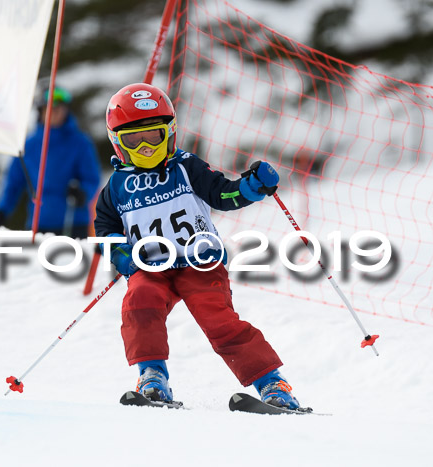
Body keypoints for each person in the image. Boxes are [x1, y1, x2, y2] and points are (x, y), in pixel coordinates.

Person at [94, 83, 302, 409]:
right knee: (139, 301)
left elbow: (223, 194)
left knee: (218, 320)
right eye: (135, 140)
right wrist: (122, 257)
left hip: (199, 262)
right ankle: (152, 377)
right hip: (151, 267)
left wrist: (252, 187)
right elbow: (104, 230)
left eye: (154, 136)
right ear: (118, 142)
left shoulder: (186, 167)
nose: (146, 148)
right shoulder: (117, 187)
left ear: (171, 133)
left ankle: (274, 386)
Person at [0, 86, 101, 238]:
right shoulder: (29, 145)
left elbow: (92, 178)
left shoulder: (80, 142)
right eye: (50, 109)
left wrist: (83, 192)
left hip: (74, 221)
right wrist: (1, 211)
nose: (55, 113)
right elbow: (13, 183)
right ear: (41, 112)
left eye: (60, 109)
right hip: (39, 222)